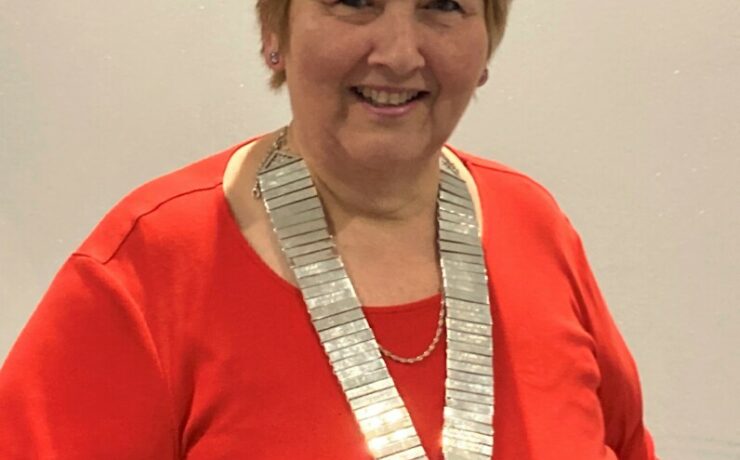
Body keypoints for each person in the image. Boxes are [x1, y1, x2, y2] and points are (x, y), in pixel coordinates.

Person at [0, 0, 658, 458]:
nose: (399, 54)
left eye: (443, 5)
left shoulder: (534, 226)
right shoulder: (151, 267)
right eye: (354, 1)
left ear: (487, 41)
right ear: (274, 30)